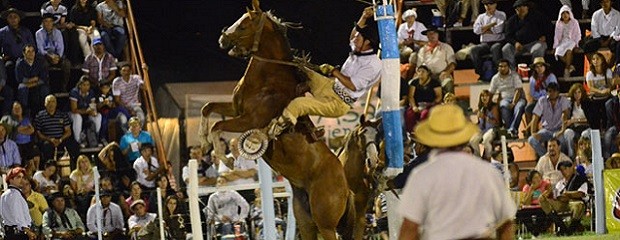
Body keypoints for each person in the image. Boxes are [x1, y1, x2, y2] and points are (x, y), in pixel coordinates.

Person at [398, 104, 516, 239]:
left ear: (430, 140)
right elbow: (507, 223)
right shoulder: (487, 172)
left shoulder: (422, 176)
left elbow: (409, 228)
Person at [267, 7, 381, 138]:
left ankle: (271, 132)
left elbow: (353, 85)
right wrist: (364, 17)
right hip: (330, 86)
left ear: (368, 43)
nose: (354, 39)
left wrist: (333, 71)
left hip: (338, 103)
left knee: (298, 105)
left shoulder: (373, 64)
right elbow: (353, 35)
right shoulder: (359, 48)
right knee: (301, 70)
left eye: (358, 38)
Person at [539, 161, 588, 234]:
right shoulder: (560, 183)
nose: (564, 171)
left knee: (579, 205)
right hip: (562, 203)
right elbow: (556, 196)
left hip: (574, 202)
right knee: (541, 199)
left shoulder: (580, 179)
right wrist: (549, 193)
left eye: (565, 168)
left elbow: (581, 193)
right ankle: (562, 226)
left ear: (572, 168)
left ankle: (570, 229)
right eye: (562, 170)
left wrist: (567, 194)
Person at [502, 0, 551, 68]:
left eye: (523, 6)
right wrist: (515, 43)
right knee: (506, 49)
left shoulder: (537, 16)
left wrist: (545, 36)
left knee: (538, 48)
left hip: (534, 43)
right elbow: (507, 36)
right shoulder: (512, 20)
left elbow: (549, 27)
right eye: (518, 7)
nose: (521, 9)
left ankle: (536, 71)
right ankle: (511, 72)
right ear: (516, 9)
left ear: (527, 7)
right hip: (518, 45)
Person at [35, 95, 80, 169]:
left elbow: (68, 132)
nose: (51, 104)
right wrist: (50, 139)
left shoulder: (62, 115)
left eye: (53, 101)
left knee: (74, 145)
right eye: (49, 102)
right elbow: (39, 133)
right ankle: (49, 169)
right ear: (45, 104)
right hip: (48, 140)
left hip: (62, 139)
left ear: (56, 103)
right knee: (46, 147)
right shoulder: (40, 116)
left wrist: (60, 139)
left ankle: (75, 168)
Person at [528, 82, 571, 157]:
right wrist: (533, 132)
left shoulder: (563, 100)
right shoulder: (542, 100)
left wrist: (561, 131)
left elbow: (565, 116)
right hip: (546, 130)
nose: (552, 93)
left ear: (558, 92)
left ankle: (562, 158)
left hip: (560, 129)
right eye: (550, 91)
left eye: (554, 91)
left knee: (562, 141)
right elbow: (535, 117)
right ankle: (547, 157)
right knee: (531, 139)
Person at [470, 0, 506, 82]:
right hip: (485, 43)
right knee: (474, 50)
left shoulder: (501, 15)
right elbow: (476, 30)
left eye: (491, 4)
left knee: (495, 48)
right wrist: (492, 25)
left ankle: (498, 75)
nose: (488, 6)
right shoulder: (481, 17)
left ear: (495, 4)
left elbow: (498, 29)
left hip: (498, 41)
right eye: (486, 4)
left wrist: (483, 29)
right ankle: (481, 74)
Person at [489, 59, 526, 138]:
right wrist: (487, 105)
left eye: (505, 66)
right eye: (501, 66)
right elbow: (491, 92)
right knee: (503, 106)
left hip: (518, 98)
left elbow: (518, 90)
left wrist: (513, 103)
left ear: (508, 67)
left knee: (519, 107)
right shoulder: (495, 78)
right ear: (498, 68)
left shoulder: (515, 75)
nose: (503, 68)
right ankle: (512, 131)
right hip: (505, 99)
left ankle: (511, 130)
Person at [35, 13, 71, 93]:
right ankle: (46, 87)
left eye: (50, 21)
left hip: (56, 55)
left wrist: (57, 57)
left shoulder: (57, 32)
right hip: (45, 56)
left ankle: (64, 87)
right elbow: (40, 49)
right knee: (43, 64)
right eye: (46, 21)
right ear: (43, 23)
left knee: (67, 64)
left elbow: (61, 47)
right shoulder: (38, 33)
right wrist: (50, 56)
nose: (48, 23)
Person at [415, 27, 456, 94]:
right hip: (426, 76)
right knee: (411, 83)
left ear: (438, 35)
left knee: (448, 82)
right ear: (427, 36)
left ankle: (450, 102)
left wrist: (446, 72)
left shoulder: (446, 47)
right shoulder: (422, 50)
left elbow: (452, 63)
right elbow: (419, 66)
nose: (432, 35)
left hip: (442, 74)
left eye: (434, 33)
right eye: (430, 34)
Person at [0, 167, 38, 240]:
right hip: (18, 234)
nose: (22, 180)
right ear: (11, 179)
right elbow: (17, 215)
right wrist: (27, 231)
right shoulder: (14, 194)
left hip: (10, 233)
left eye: (22, 177)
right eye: (18, 177)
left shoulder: (5, 194)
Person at [404, 65, 442, 132]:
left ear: (427, 73)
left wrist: (430, 105)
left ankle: (424, 133)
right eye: (419, 71)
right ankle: (412, 134)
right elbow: (411, 96)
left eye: (423, 71)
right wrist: (414, 107)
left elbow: (439, 96)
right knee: (409, 114)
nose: (421, 73)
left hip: (430, 105)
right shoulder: (414, 83)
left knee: (424, 114)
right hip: (418, 105)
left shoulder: (435, 83)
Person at [16, 44, 50, 116]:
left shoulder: (40, 62)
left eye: (33, 51)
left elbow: (43, 78)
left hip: (37, 84)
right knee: (22, 88)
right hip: (26, 85)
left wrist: (30, 83)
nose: (31, 53)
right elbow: (20, 79)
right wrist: (33, 79)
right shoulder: (20, 63)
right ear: (24, 53)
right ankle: (24, 112)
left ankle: (44, 112)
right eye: (28, 51)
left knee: (45, 88)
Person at [582, 0, 620, 65]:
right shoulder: (596, 14)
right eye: (603, 2)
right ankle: (593, 66)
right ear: (601, 3)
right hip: (599, 38)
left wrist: (608, 40)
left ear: (611, 2)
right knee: (586, 46)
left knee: (617, 46)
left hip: (611, 38)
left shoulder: (617, 14)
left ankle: (610, 66)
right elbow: (594, 29)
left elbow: (617, 29)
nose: (605, 4)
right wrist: (601, 40)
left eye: (607, 2)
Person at [0, 101, 37, 168]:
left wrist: (21, 130)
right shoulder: (9, 119)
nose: (17, 110)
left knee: (35, 153)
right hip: (16, 143)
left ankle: (34, 172)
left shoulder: (26, 119)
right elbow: (17, 130)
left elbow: (32, 130)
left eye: (19, 108)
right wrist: (25, 129)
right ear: (12, 110)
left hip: (28, 143)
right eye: (15, 108)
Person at [70, 76, 103, 148]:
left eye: (88, 85)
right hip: (74, 113)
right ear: (80, 85)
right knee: (77, 117)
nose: (86, 87)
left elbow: (92, 105)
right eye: (84, 85)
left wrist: (93, 112)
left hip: (86, 113)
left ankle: (95, 139)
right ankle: (78, 141)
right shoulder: (74, 92)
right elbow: (74, 109)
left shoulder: (91, 92)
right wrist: (86, 111)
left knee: (98, 116)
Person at [525, 57, 558, 126]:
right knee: (528, 108)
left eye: (541, 66)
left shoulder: (551, 77)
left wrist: (543, 96)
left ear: (545, 67)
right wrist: (541, 96)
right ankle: (531, 129)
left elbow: (553, 90)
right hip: (537, 100)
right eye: (537, 67)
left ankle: (530, 128)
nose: (539, 68)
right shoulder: (532, 79)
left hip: (549, 100)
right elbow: (533, 93)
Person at [518, 170, 552, 236]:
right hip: (530, 207)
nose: (538, 179)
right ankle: (535, 231)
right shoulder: (527, 187)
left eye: (539, 177)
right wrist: (532, 190)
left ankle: (536, 232)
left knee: (543, 213)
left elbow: (548, 193)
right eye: (535, 178)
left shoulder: (545, 184)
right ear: (530, 180)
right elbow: (526, 203)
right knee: (522, 213)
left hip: (541, 206)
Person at [563, 83, 593, 158]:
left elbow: (590, 119)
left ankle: (585, 156)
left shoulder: (588, 103)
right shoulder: (571, 104)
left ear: (582, 93)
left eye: (579, 92)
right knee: (568, 133)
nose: (577, 95)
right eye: (575, 93)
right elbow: (566, 117)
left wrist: (576, 120)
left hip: (587, 127)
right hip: (575, 128)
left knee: (584, 134)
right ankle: (571, 156)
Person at [469, 90, 500, 159]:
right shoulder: (481, 108)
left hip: (492, 129)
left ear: (489, 97)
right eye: (482, 96)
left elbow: (496, 122)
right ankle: (478, 158)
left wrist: (484, 117)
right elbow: (480, 123)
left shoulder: (494, 107)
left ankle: (489, 158)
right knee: (473, 141)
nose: (484, 98)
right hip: (482, 130)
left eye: (486, 96)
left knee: (486, 140)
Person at [585, 52, 613, 130]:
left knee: (607, 109)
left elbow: (610, 85)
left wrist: (607, 90)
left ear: (602, 60)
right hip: (595, 98)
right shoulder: (590, 74)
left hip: (606, 97)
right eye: (593, 59)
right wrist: (601, 92)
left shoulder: (608, 71)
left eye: (597, 59)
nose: (595, 61)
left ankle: (607, 128)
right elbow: (591, 87)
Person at [554, 5, 581, 79]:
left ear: (570, 14)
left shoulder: (574, 22)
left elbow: (578, 34)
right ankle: (570, 66)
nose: (565, 15)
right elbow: (557, 35)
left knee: (569, 51)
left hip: (572, 41)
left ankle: (566, 69)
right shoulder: (559, 23)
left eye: (567, 13)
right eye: (563, 13)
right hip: (563, 41)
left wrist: (577, 44)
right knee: (558, 52)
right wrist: (555, 45)